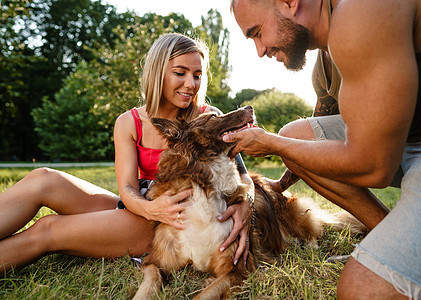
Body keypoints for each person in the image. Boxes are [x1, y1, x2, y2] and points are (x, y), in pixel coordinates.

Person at [227, 0, 421, 299]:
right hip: (407, 137)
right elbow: (312, 140)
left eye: (257, 33)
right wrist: (284, 176)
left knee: (364, 290)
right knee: (295, 134)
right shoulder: (326, 60)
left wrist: (269, 143)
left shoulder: (362, 12)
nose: (260, 50)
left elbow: (374, 166)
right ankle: (382, 231)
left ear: (290, 3)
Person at [0, 33, 253, 274]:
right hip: (144, 206)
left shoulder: (209, 119)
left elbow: (244, 178)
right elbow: (128, 189)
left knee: (48, 229)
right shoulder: (129, 122)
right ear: (157, 73)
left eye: (197, 75)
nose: (191, 84)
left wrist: (245, 204)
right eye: (180, 73)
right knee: (43, 179)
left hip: (170, 224)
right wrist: (151, 207)